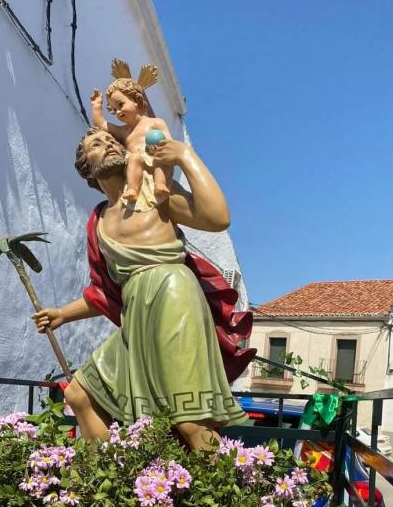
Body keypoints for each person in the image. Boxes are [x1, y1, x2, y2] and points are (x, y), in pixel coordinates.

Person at [33, 128, 254, 451]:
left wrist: (185, 155)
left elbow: (217, 218)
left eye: (112, 141)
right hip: (136, 317)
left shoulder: (153, 190)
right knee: (79, 394)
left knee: (189, 419)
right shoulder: (98, 220)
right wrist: (62, 314)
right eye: (97, 144)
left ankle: (226, 483)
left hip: (174, 296)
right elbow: (104, 292)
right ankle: (106, 474)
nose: (109, 144)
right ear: (86, 168)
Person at [90, 59, 172, 204]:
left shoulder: (155, 123)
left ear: (136, 100)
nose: (118, 111)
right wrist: (97, 106)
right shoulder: (124, 131)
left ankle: (160, 184)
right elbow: (101, 124)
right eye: (114, 109)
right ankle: (133, 189)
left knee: (160, 160)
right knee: (134, 158)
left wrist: (160, 148)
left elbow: (170, 143)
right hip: (136, 166)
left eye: (120, 104)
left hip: (156, 159)